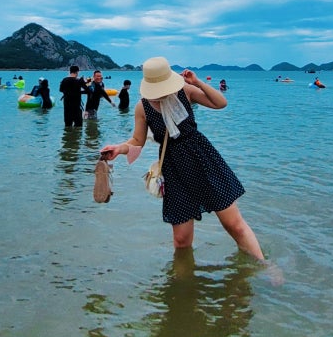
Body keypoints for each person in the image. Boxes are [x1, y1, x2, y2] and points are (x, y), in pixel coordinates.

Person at [101, 57, 269, 262]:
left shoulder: (185, 92)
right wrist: (119, 148)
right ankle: (184, 285)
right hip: (174, 168)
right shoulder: (142, 107)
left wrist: (197, 82)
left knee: (233, 224)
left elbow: (220, 103)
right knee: (181, 240)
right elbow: (137, 140)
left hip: (202, 157)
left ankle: (264, 265)